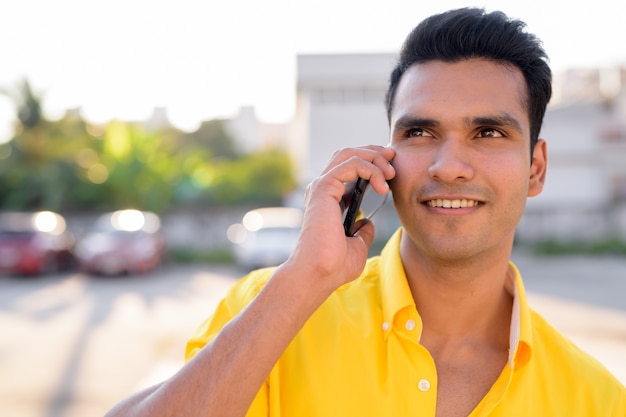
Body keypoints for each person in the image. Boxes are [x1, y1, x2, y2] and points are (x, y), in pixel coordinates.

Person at [105, 7, 626, 417]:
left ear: (536, 168)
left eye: (488, 133)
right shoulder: (271, 311)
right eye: (419, 132)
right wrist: (306, 279)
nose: (449, 166)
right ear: (385, 155)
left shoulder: (597, 399)